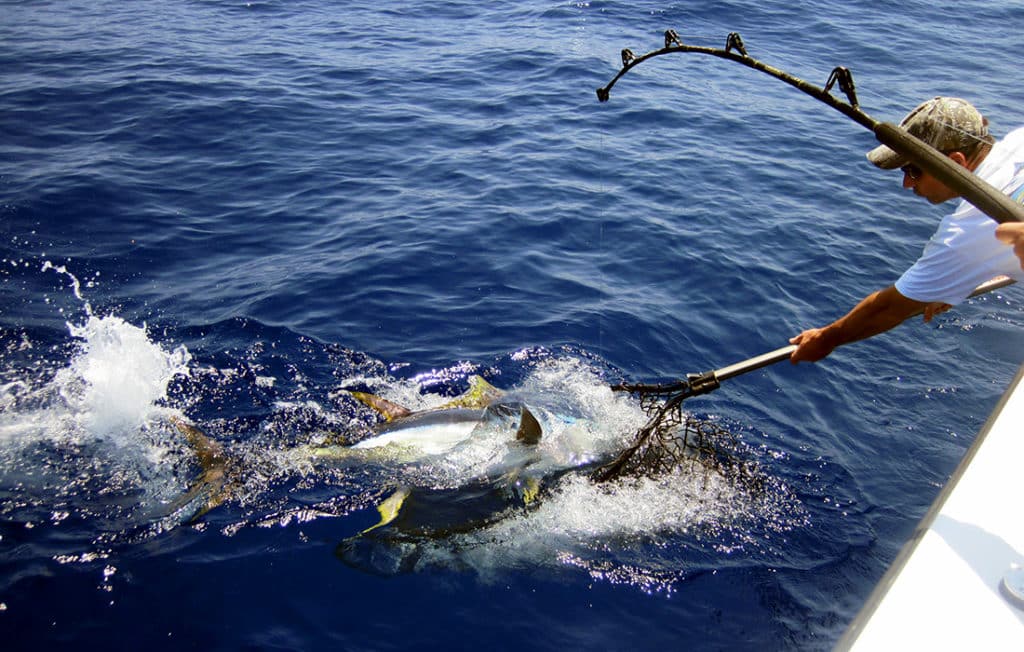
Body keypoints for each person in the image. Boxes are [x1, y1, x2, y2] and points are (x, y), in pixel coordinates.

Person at [790, 96, 1024, 363]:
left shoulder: (968, 232)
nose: (906, 184)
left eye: (913, 170)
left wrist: (824, 339)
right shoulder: (1019, 139)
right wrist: (951, 282)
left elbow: (889, 308)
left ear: (957, 163)